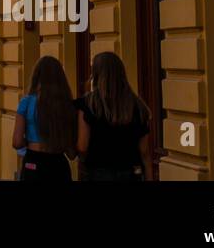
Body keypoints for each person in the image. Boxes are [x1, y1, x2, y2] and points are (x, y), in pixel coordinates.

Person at [76, 52, 152, 181]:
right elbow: (144, 151)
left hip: (98, 172)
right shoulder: (137, 106)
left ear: (96, 74)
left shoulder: (88, 104)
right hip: (131, 173)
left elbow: (82, 146)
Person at [12, 55, 76, 181]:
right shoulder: (67, 105)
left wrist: (30, 141)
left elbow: (17, 142)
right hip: (58, 163)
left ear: (36, 76)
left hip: (33, 161)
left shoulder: (26, 102)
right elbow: (71, 152)